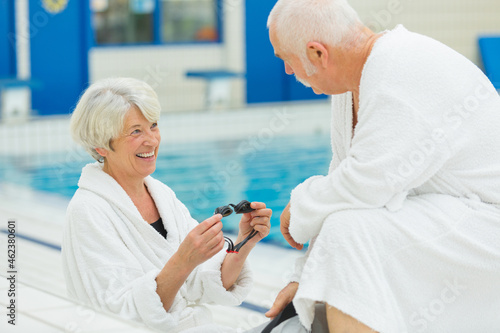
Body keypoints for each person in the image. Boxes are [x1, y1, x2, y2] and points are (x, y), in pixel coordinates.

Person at [265, 0, 500, 332]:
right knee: (347, 229)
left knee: (351, 233)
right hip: (460, 213)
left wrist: (300, 206)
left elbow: (367, 185)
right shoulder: (358, 80)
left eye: (287, 60)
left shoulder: (399, 72)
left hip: (490, 225)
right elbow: (345, 190)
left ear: (318, 54)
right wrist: (304, 275)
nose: (288, 71)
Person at [61, 77, 272, 333]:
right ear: (101, 145)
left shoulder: (161, 194)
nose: (152, 140)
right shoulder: (88, 211)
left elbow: (201, 282)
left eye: (153, 125)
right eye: (136, 131)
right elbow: (117, 315)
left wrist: (243, 243)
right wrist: (183, 261)